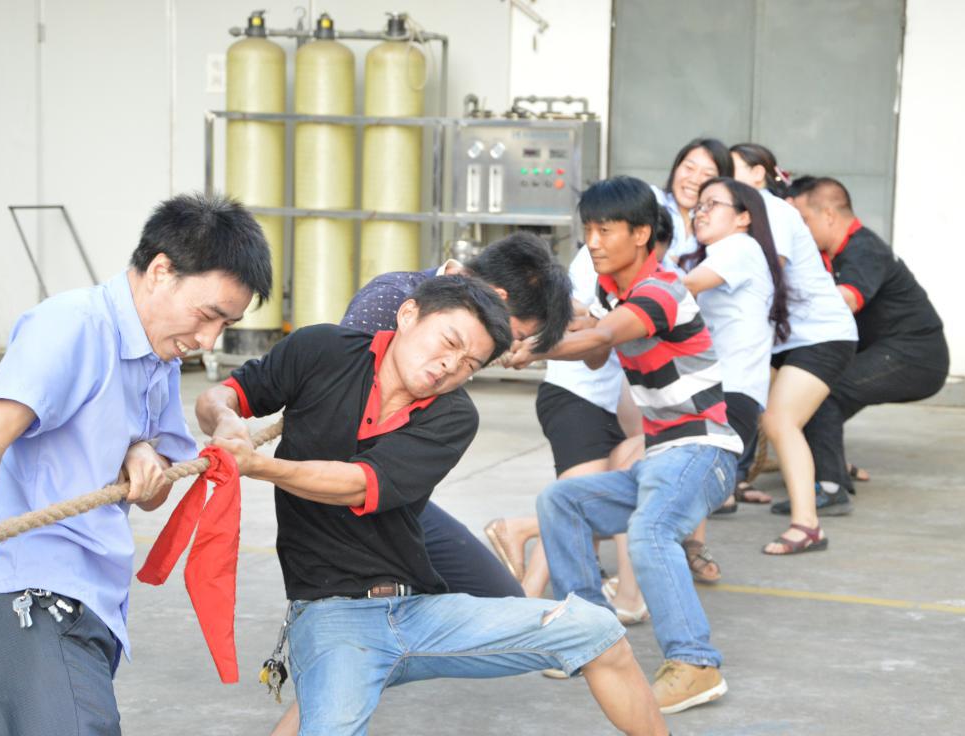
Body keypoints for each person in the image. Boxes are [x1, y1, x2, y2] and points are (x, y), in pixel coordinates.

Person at [197, 275, 669, 736]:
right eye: (448, 342)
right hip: (333, 618)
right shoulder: (320, 349)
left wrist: (259, 466)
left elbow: (358, 485)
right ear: (408, 315)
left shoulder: (454, 414)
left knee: (597, 630)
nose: (450, 366)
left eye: (469, 363)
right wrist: (224, 419)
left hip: (421, 614)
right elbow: (220, 396)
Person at [0, 193, 272, 735]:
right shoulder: (73, 325)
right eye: (208, 315)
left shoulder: (160, 359)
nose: (208, 340)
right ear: (160, 271)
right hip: (30, 612)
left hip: (84, 616)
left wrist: (141, 453)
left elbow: (154, 493)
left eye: (225, 325)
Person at [513, 176, 742, 715]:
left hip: (703, 450)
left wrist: (534, 349)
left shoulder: (664, 289)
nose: (592, 242)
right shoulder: (609, 291)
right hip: (659, 458)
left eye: (605, 230)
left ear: (641, 234)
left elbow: (598, 339)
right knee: (561, 501)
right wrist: (546, 324)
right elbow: (596, 349)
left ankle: (695, 663)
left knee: (650, 531)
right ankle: (592, 639)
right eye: (587, 230)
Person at [336, 230, 571, 601]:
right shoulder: (391, 300)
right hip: (347, 492)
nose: (509, 348)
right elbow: (339, 408)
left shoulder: (469, 343)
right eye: (516, 335)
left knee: (502, 599)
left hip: (398, 496)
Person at [486, 208, 674, 616]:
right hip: (575, 398)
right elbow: (580, 322)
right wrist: (538, 346)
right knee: (573, 505)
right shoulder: (597, 264)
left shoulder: (642, 277)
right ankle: (526, 582)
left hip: (598, 402)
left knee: (586, 502)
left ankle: (527, 573)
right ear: (641, 238)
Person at [730, 144, 861, 554]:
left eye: (730, 168)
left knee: (780, 421)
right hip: (789, 338)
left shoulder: (773, 211)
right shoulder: (743, 215)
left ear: (758, 174)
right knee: (755, 411)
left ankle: (808, 526)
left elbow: (769, 276)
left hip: (821, 334)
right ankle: (732, 487)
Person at [791, 177, 949, 508]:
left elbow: (846, 300)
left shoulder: (864, 249)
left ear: (829, 215)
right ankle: (827, 469)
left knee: (825, 393)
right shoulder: (832, 254)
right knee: (811, 399)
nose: (800, 230)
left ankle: (831, 488)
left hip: (915, 356)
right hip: (890, 351)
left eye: (804, 219)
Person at [680, 177, 790, 474]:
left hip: (728, 391)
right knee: (703, 487)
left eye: (712, 204)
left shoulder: (739, 247)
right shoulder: (727, 254)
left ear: (743, 217)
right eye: (699, 206)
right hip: (729, 391)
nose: (700, 213)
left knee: (694, 483)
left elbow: (685, 287)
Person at [652, 137, 734, 264]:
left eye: (708, 175)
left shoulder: (721, 226)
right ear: (676, 167)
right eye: (689, 168)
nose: (694, 180)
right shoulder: (652, 200)